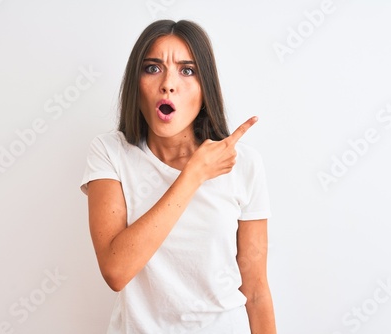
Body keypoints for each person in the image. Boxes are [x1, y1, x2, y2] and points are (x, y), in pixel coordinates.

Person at [80, 19, 276, 334]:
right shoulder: (110, 152)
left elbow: (255, 291)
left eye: (187, 71)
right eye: (153, 68)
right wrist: (193, 175)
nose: (168, 84)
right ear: (136, 82)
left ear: (205, 87)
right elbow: (116, 271)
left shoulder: (245, 164)